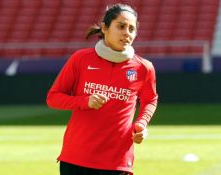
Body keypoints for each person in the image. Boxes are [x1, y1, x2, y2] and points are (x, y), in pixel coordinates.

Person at [46, 3, 158, 175]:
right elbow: (53, 98)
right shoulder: (80, 59)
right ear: (105, 28)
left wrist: (141, 124)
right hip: (76, 157)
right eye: (121, 26)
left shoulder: (144, 68)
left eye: (131, 29)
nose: (127, 33)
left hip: (117, 161)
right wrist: (85, 101)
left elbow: (150, 99)